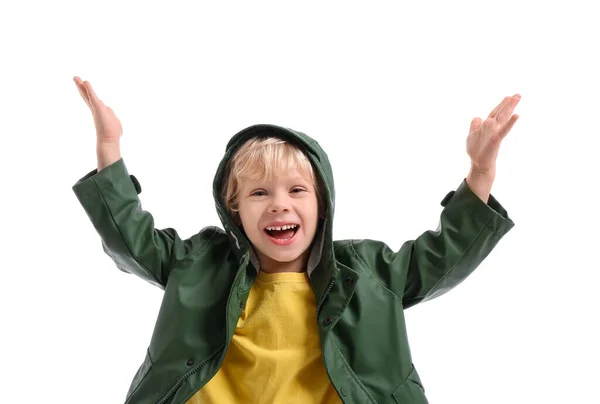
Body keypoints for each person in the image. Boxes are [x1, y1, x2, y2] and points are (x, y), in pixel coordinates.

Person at [72, 76, 520, 404]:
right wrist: (108, 148)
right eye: (259, 193)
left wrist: (480, 173)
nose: (279, 205)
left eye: (297, 190)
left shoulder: (365, 271)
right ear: (234, 210)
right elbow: (131, 238)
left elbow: (443, 257)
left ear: (322, 205)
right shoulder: (201, 263)